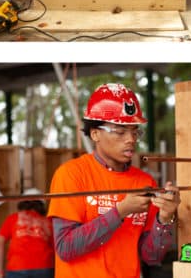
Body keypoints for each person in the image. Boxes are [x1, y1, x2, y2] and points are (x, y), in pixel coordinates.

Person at [48, 84, 179, 278]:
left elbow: (151, 257)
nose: (131, 139)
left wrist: (166, 218)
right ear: (95, 133)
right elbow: (66, 248)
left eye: (135, 132)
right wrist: (120, 211)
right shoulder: (71, 175)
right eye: (120, 132)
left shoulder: (144, 182)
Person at [0, 193, 54, 278]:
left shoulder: (13, 218)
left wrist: (0, 272)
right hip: (44, 267)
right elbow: (57, 248)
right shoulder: (48, 222)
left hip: (17, 267)